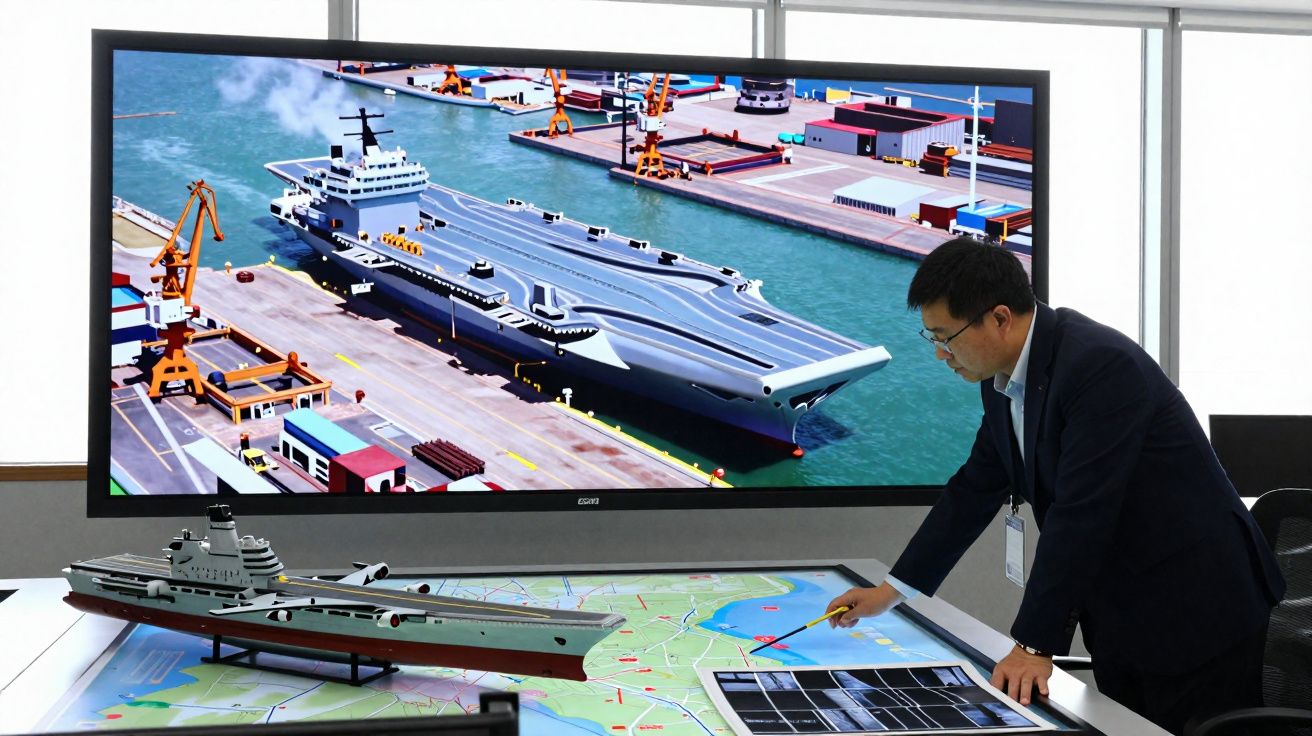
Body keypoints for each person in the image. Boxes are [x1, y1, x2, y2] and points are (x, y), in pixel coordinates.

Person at [825, 238, 1284, 735]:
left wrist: (1033, 645)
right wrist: (890, 593)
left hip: (1198, 609)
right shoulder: (1000, 376)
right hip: (1122, 614)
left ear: (999, 318)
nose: (939, 354)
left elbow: (1082, 512)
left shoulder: (1099, 366)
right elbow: (973, 489)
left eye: (946, 336)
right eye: (929, 336)